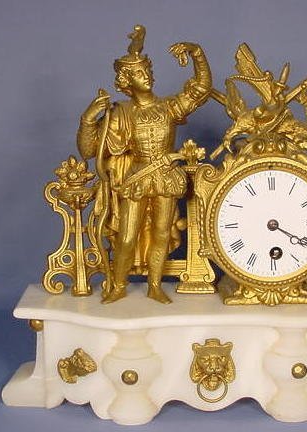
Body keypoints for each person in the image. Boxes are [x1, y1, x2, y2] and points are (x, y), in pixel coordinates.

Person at [77, 25, 212, 304]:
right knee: (127, 236)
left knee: (161, 233)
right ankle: (119, 285)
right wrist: (88, 120)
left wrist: (197, 54)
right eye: (139, 73)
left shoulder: (168, 107)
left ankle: (154, 285)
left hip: (166, 175)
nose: (146, 76)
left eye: (147, 70)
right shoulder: (121, 113)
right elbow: (89, 150)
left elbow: (201, 89)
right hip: (138, 176)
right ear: (126, 81)